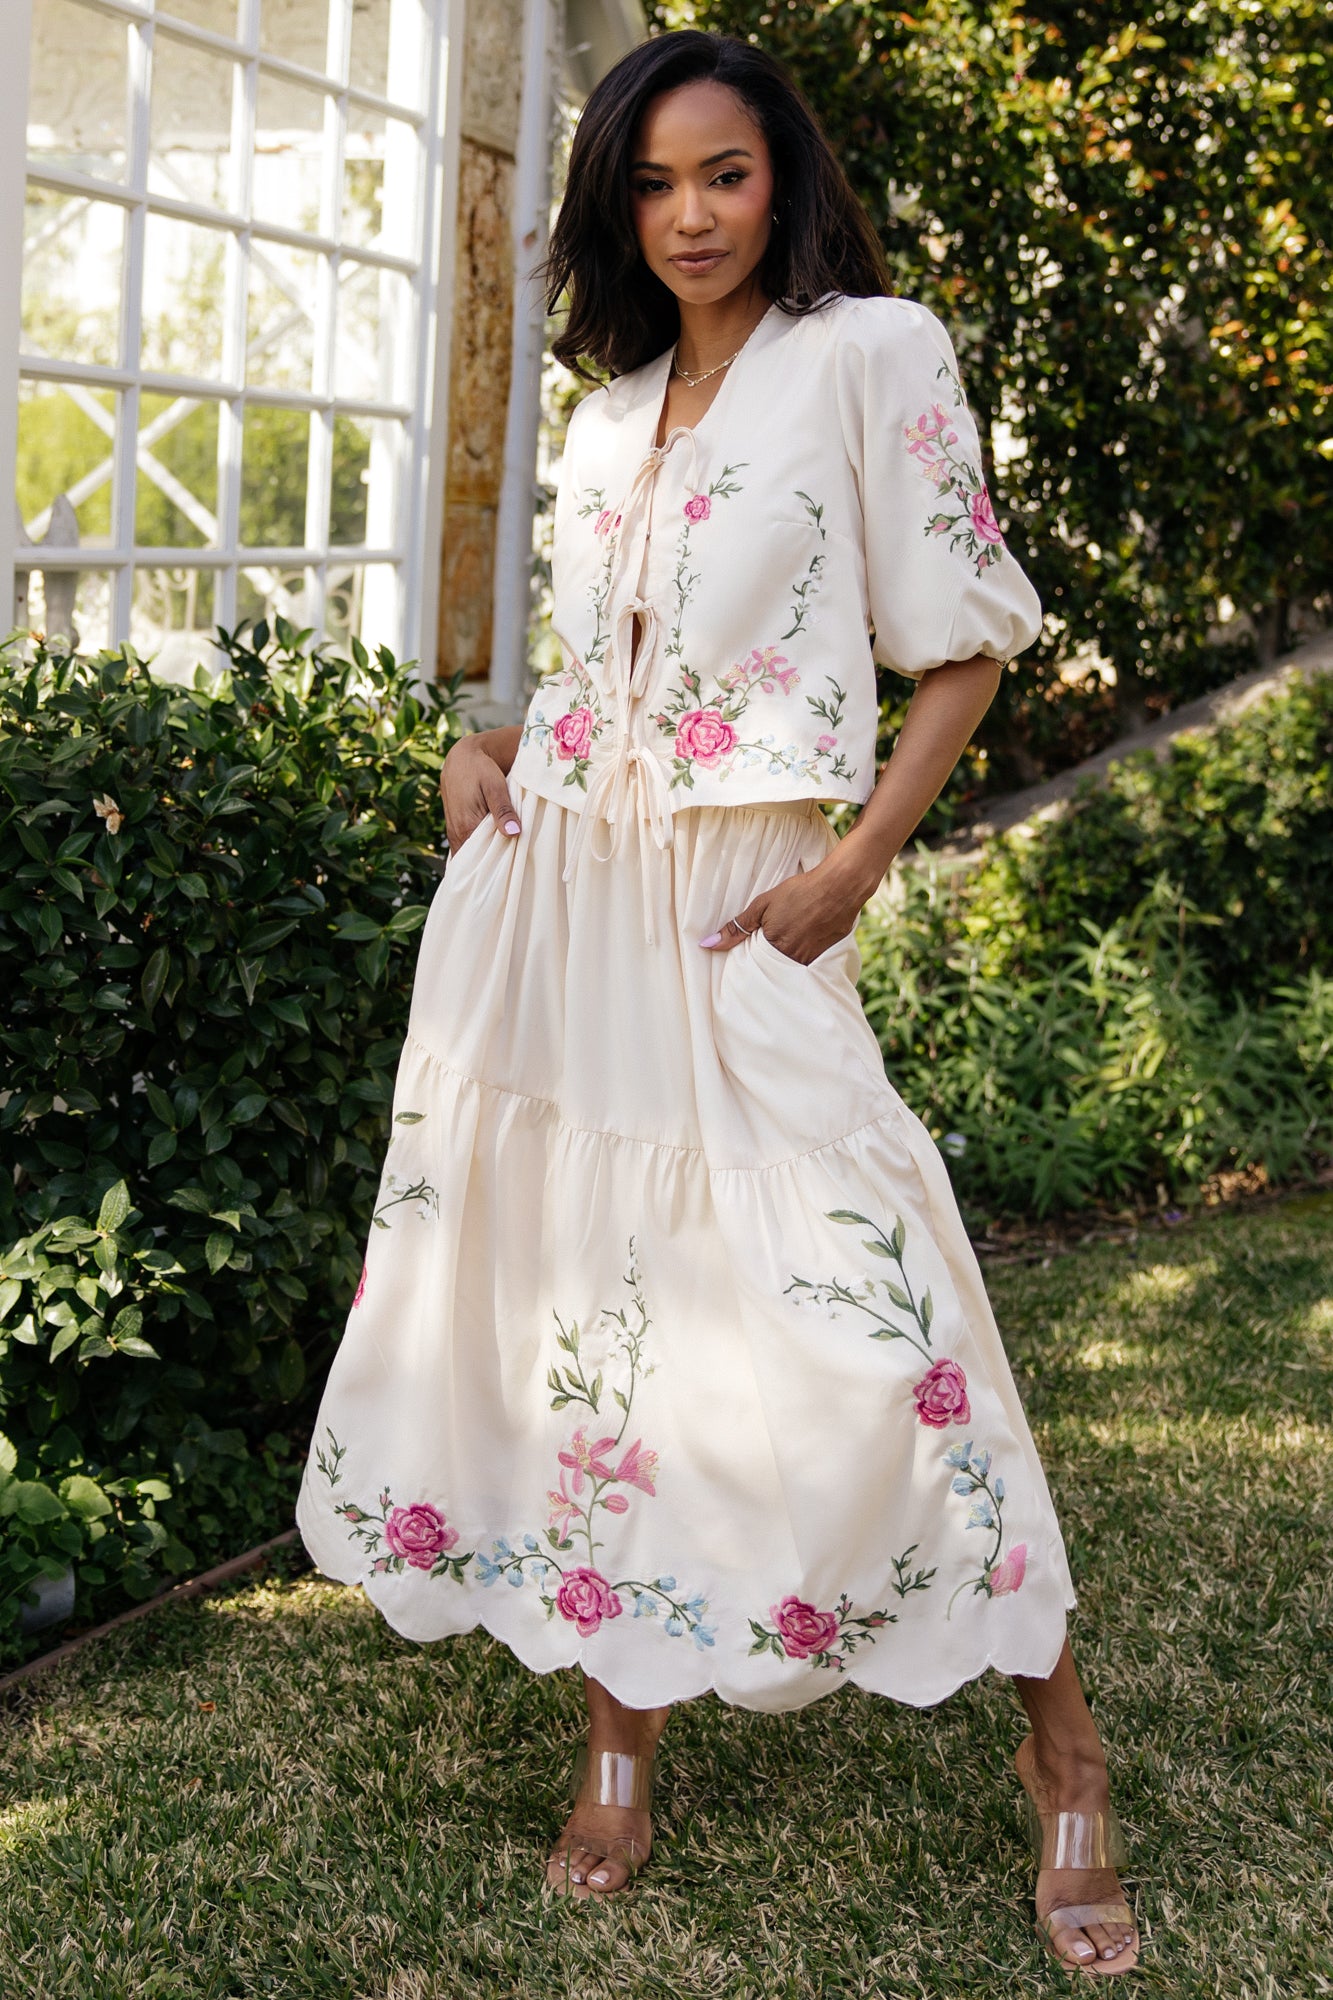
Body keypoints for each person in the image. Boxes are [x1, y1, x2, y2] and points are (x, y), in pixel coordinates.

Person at [295, 28, 1140, 1976]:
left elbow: (965, 643)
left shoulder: (871, 353)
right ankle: (617, 1735)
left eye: (726, 176)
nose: (689, 214)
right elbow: (601, 673)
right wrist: (487, 753)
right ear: (618, 201)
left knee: (876, 1294)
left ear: (785, 182)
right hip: (563, 888)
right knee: (594, 1301)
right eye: (656, 182)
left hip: (742, 903)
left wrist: (850, 868)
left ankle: (1059, 1733)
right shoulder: (601, 422)